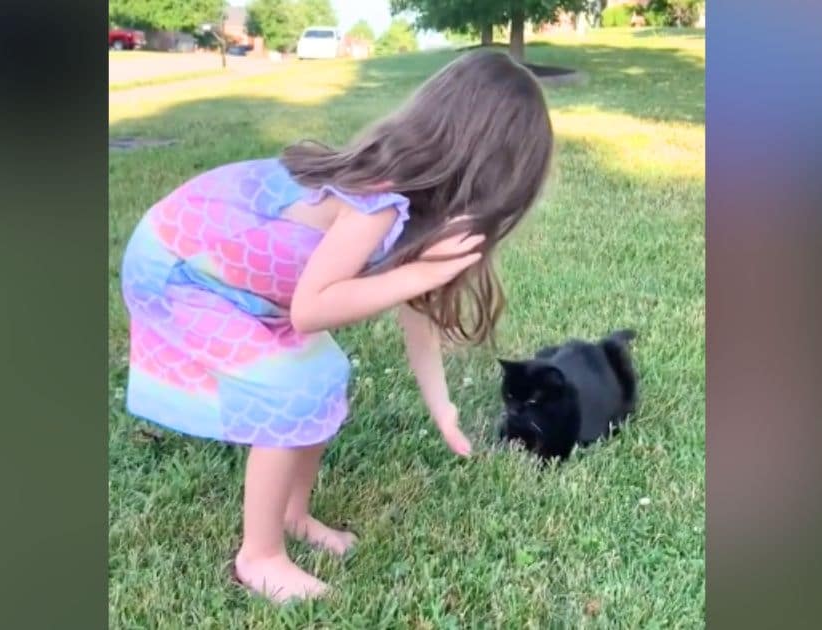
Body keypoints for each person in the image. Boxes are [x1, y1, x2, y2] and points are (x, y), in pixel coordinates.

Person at [119, 49, 554, 603]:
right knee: (290, 386)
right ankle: (259, 556)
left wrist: (442, 405)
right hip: (178, 270)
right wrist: (420, 271)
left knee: (324, 370)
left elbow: (414, 306)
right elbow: (312, 309)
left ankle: (295, 513)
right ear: (480, 166)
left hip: (233, 280)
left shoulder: (413, 204)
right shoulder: (376, 198)